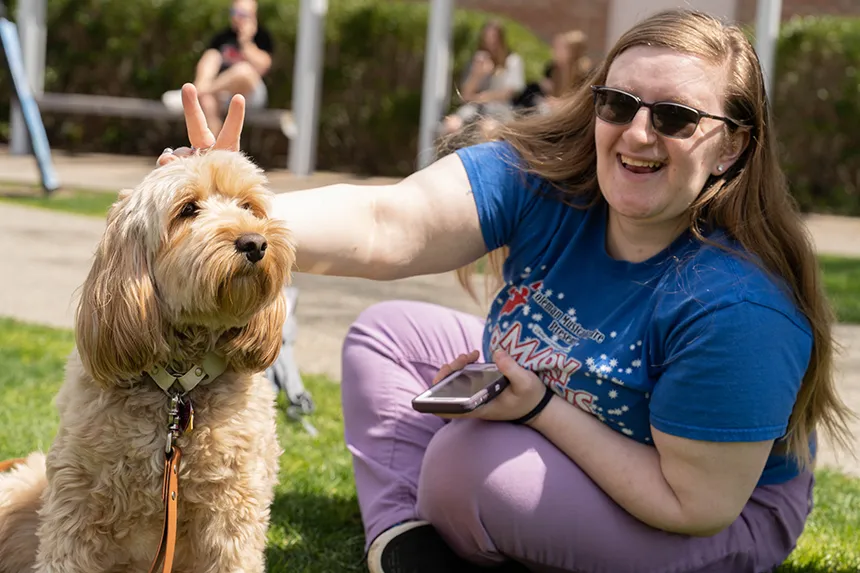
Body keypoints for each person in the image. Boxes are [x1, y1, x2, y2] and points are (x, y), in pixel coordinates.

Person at [157, 8, 855, 573]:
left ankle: (463, 510)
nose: (637, 133)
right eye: (617, 103)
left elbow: (693, 501)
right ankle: (408, 540)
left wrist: (542, 409)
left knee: (468, 470)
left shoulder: (739, 307)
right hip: (557, 405)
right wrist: (223, 212)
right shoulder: (549, 180)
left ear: (732, 146)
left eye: (674, 117)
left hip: (707, 511)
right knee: (389, 332)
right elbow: (385, 222)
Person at [162, 0, 274, 137]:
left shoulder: (262, 36)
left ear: (254, 16)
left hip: (250, 94)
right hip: (222, 91)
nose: (237, 17)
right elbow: (208, 63)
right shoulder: (222, 37)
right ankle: (213, 151)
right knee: (211, 60)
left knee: (243, 70)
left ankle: (194, 95)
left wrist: (245, 41)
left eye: (242, 14)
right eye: (234, 12)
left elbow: (263, 67)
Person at [440, 20, 526, 138]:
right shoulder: (477, 61)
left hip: (499, 109)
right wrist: (477, 74)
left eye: (494, 38)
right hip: (474, 108)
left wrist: (480, 97)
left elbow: (507, 93)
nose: (490, 42)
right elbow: (465, 96)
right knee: (451, 126)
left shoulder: (512, 61)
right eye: (487, 37)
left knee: (487, 129)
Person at [513, 30, 593, 115]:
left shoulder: (583, 73)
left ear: (573, 51)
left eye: (562, 48)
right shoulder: (556, 69)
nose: (555, 51)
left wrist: (561, 103)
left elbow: (581, 101)